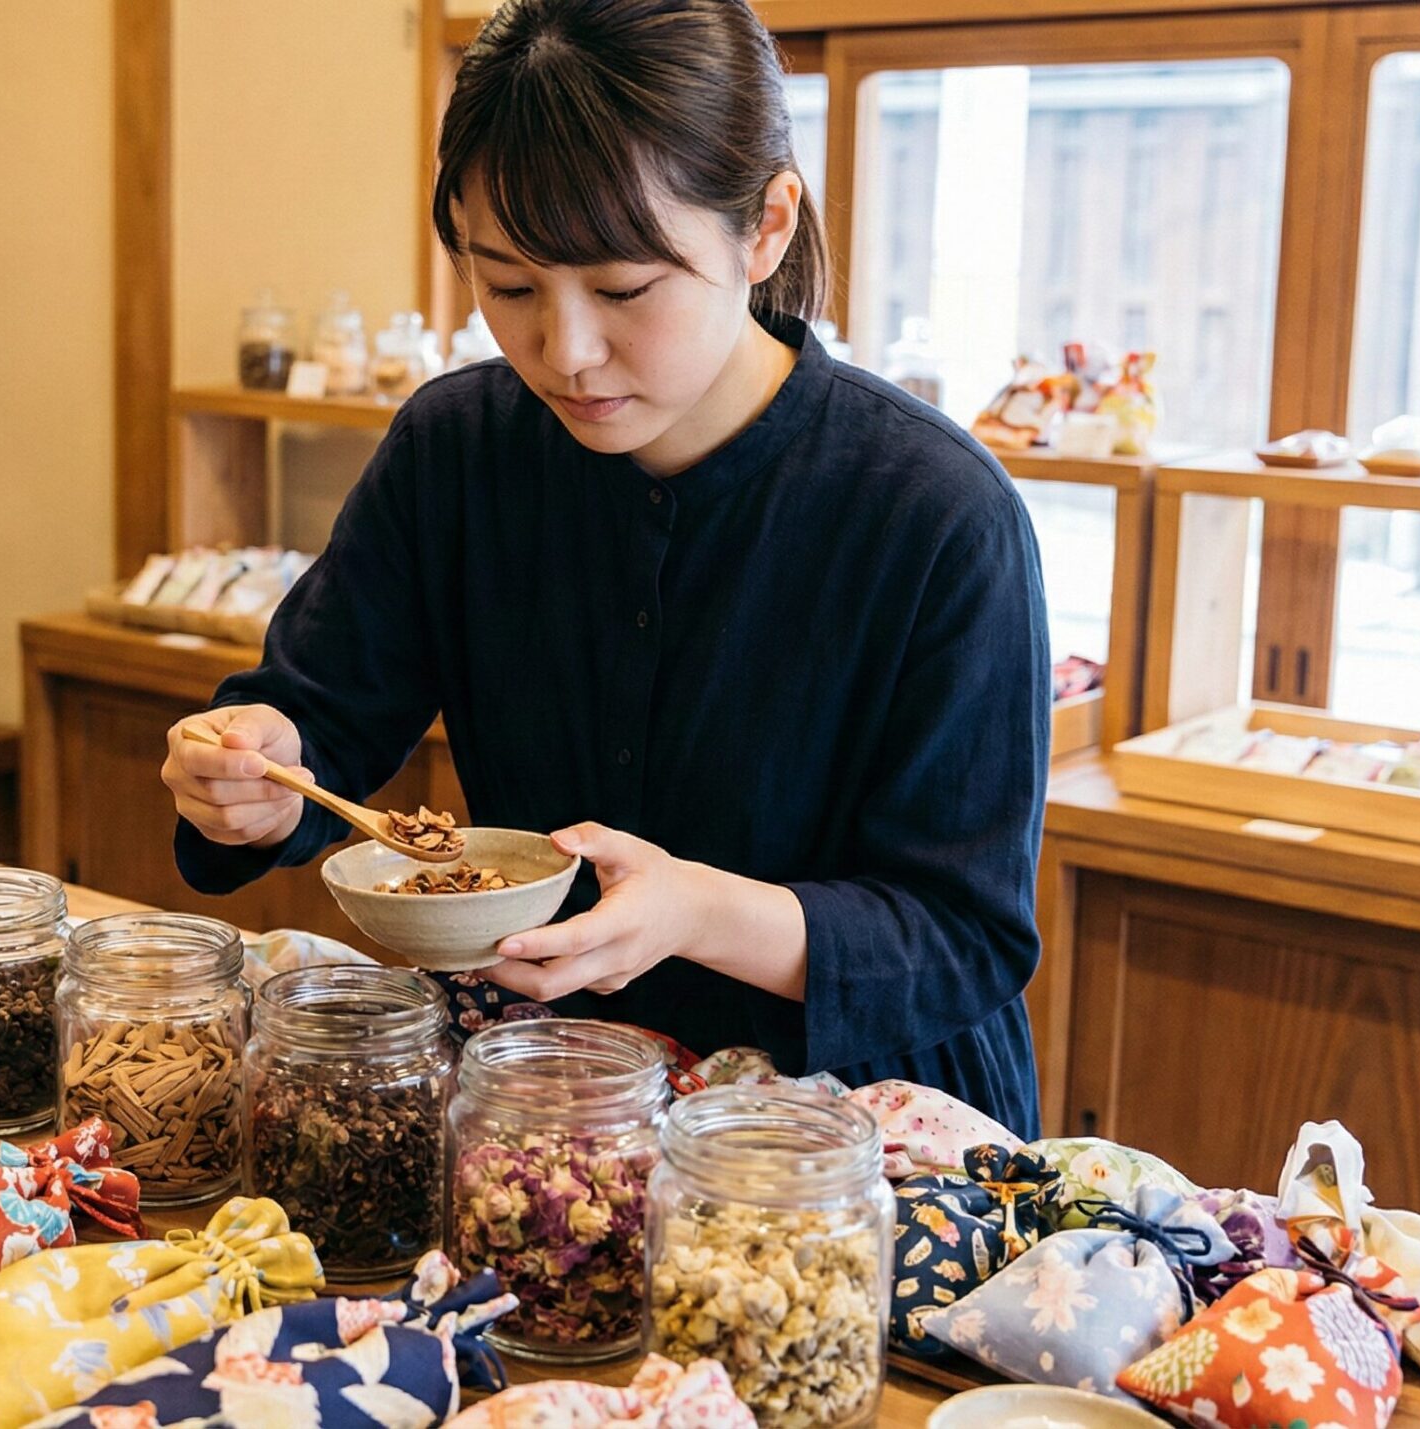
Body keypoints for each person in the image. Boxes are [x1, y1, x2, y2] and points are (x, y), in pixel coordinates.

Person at [159, 0, 1051, 1134]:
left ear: (766, 225)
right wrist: (257, 772)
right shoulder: (458, 448)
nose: (565, 351)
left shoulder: (933, 510)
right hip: (551, 1095)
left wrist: (693, 911)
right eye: (510, 287)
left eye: (624, 289)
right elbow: (318, 716)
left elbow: (962, 933)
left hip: (855, 1137)